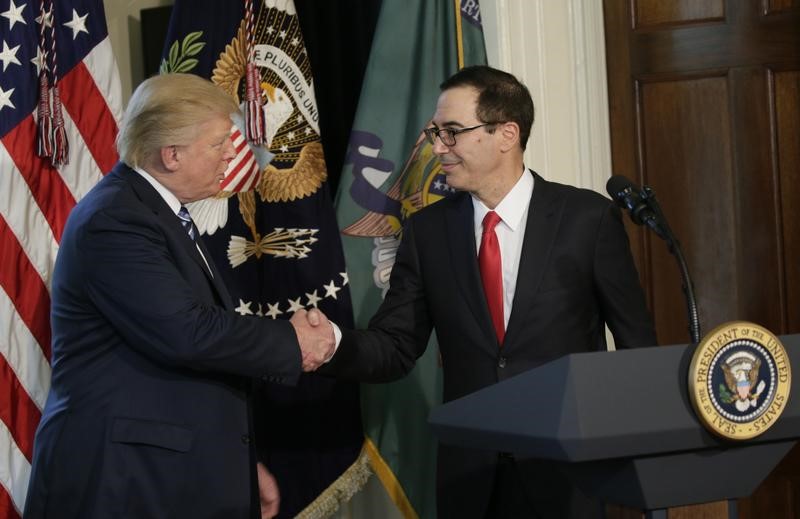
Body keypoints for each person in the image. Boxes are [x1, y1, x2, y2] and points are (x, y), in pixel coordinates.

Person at [314, 65, 658, 518]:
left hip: (568, 476)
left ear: (506, 134)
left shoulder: (587, 220)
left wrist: (640, 461)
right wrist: (330, 347)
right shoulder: (427, 232)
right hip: (469, 479)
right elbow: (396, 345)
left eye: (452, 132)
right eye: (436, 132)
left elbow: (637, 350)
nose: (438, 147)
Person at [23, 74, 334, 519]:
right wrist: (293, 342)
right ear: (171, 155)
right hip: (121, 484)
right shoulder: (115, 221)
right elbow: (187, 331)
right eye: (218, 143)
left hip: (168, 473)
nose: (232, 152)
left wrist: (236, 463)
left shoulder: (157, 213)